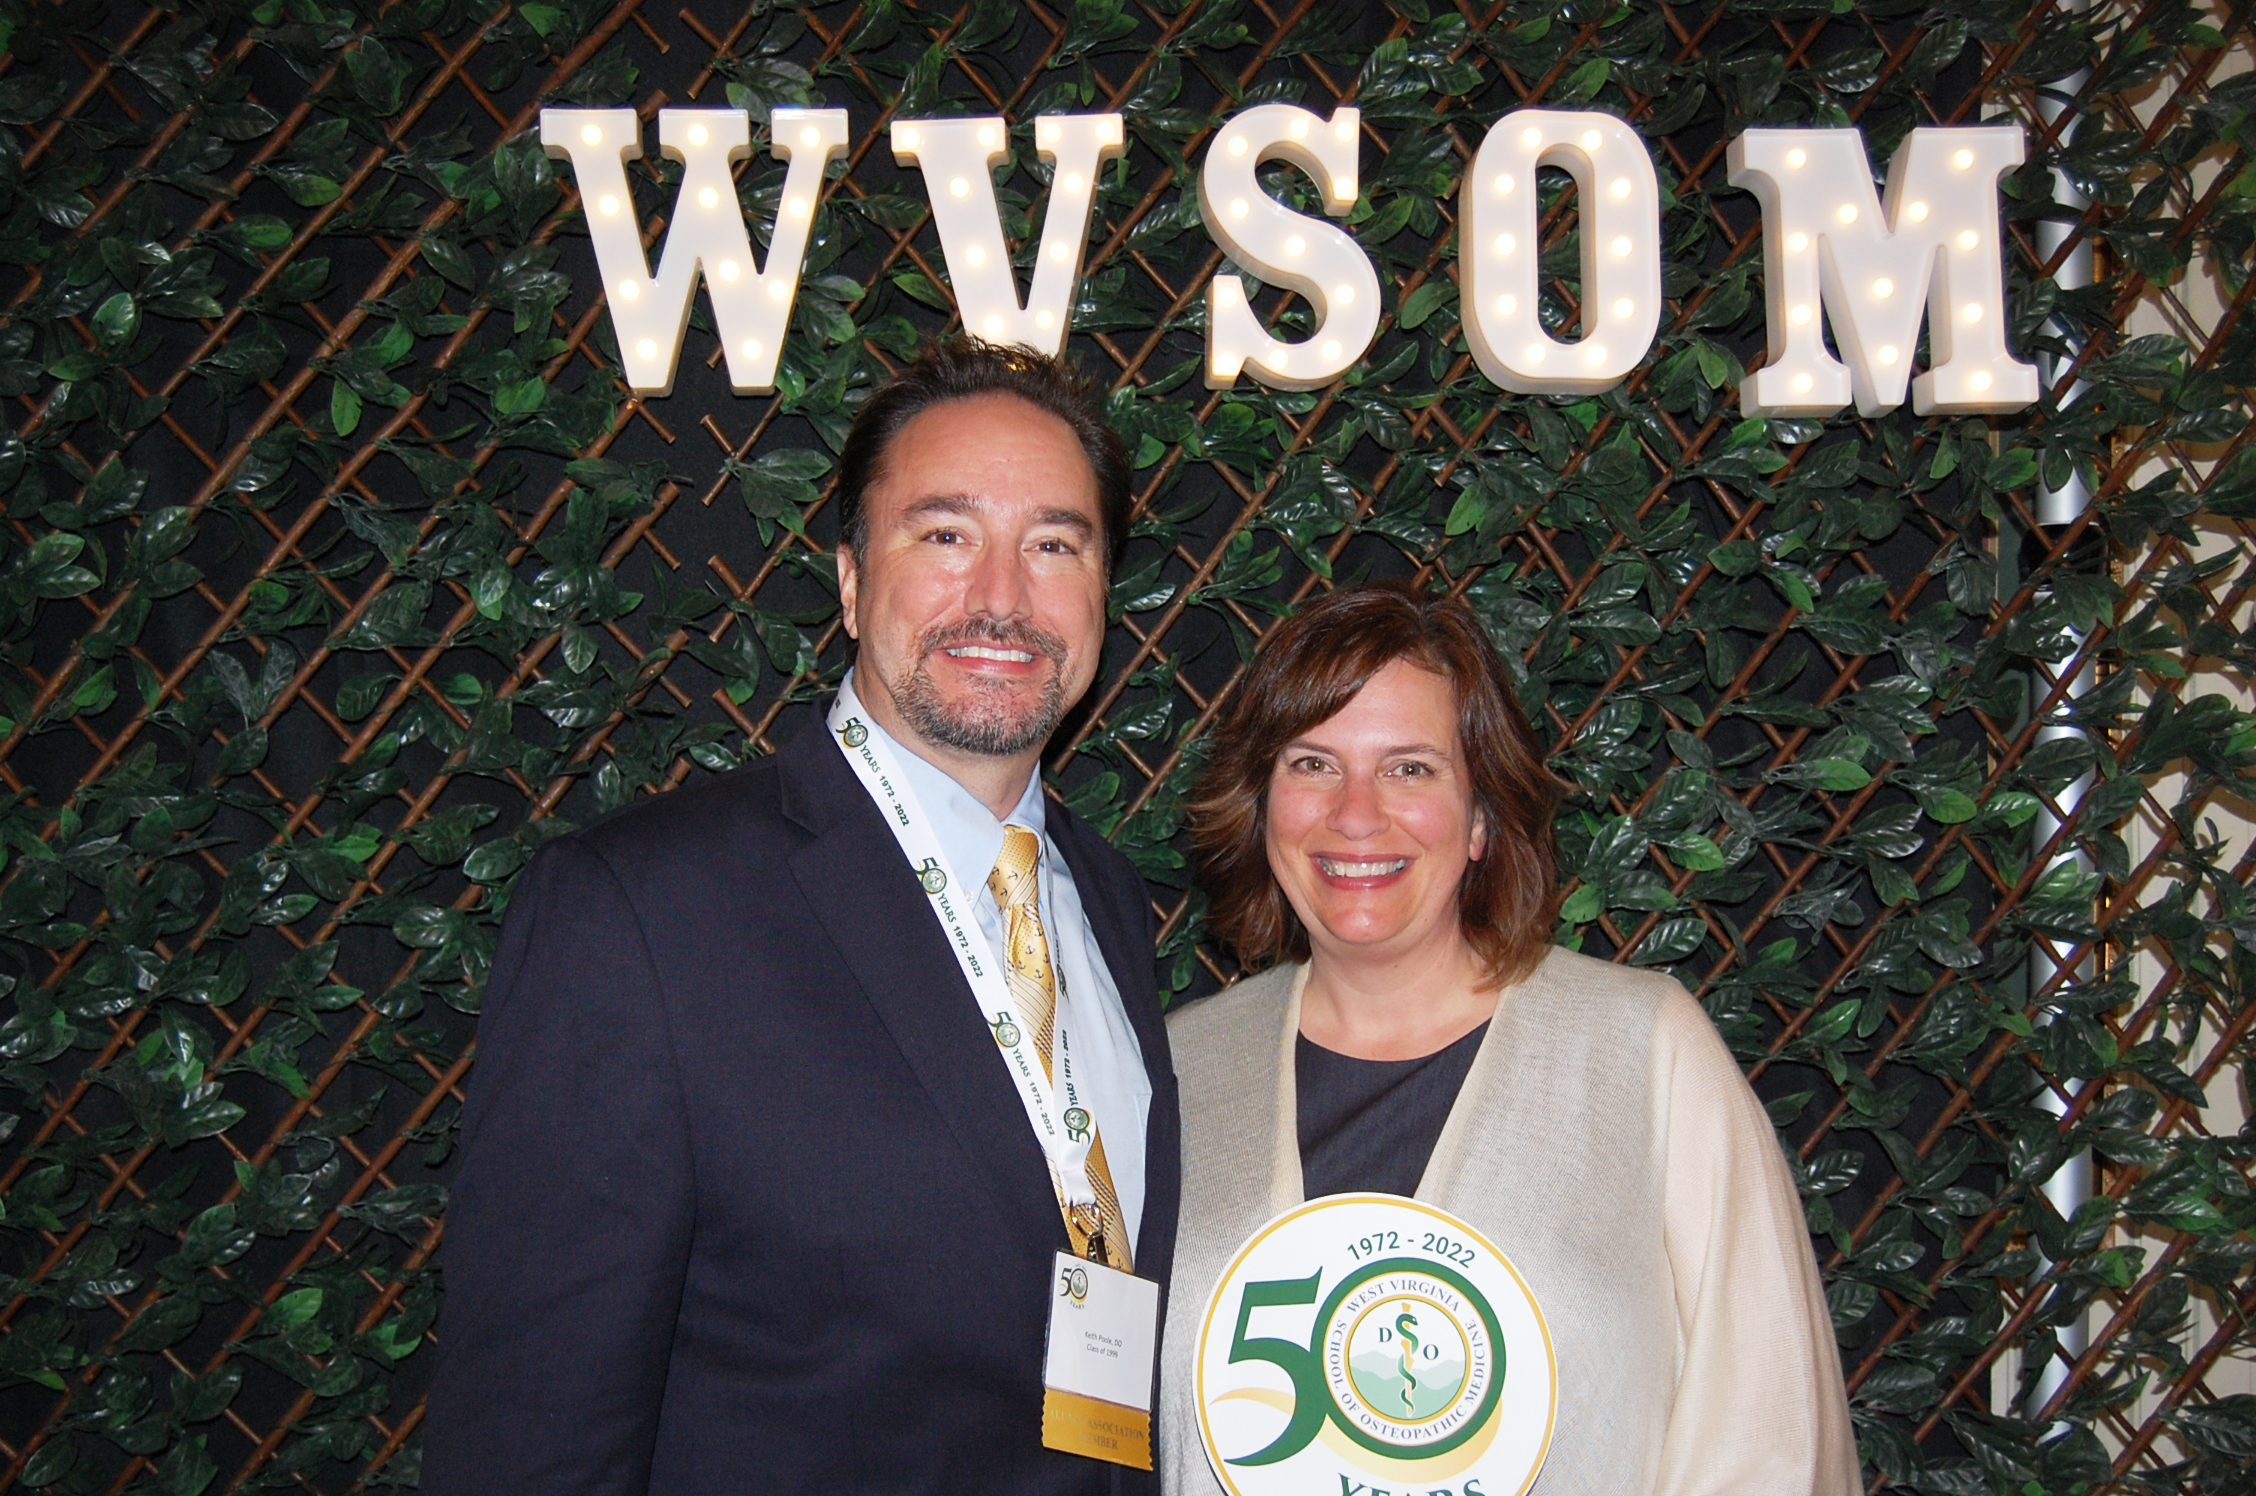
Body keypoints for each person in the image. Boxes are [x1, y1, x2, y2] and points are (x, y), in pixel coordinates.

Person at [420, 338, 1179, 1496]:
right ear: (848, 577)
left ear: (1101, 594)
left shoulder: (1109, 900)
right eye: (945, 534)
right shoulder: (639, 915)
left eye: (1055, 544)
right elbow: (533, 1436)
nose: (1001, 596)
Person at [1156, 582, 1859, 1496]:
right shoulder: (1178, 1072)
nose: (1357, 813)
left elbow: (1771, 1433)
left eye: (1411, 768)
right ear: (1260, 807)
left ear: (1483, 815)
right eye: (1312, 764)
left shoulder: (1643, 1051)